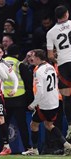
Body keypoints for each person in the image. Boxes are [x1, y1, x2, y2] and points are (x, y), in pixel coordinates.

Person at [22, 49, 71, 155]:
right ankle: (67, 145)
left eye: (33, 57)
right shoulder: (51, 67)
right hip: (54, 101)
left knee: (34, 125)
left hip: (45, 103)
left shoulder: (38, 71)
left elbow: (41, 92)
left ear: (38, 58)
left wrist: (33, 104)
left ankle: (34, 149)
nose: (31, 58)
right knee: (49, 125)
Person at [47, 5, 71, 142]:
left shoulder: (50, 32)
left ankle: (70, 125)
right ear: (67, 14)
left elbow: (50, 55)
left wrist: (59, 58)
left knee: (67, 97)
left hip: (63, 65)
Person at [3, 44, 33, 153]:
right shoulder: (19, 64)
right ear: (17, 54)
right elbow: (28, 81)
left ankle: (3, 147)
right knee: (22, 125)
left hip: (4, 99)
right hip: (19, 99)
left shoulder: (0, 63)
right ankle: (27, 147)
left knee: (4, 124)